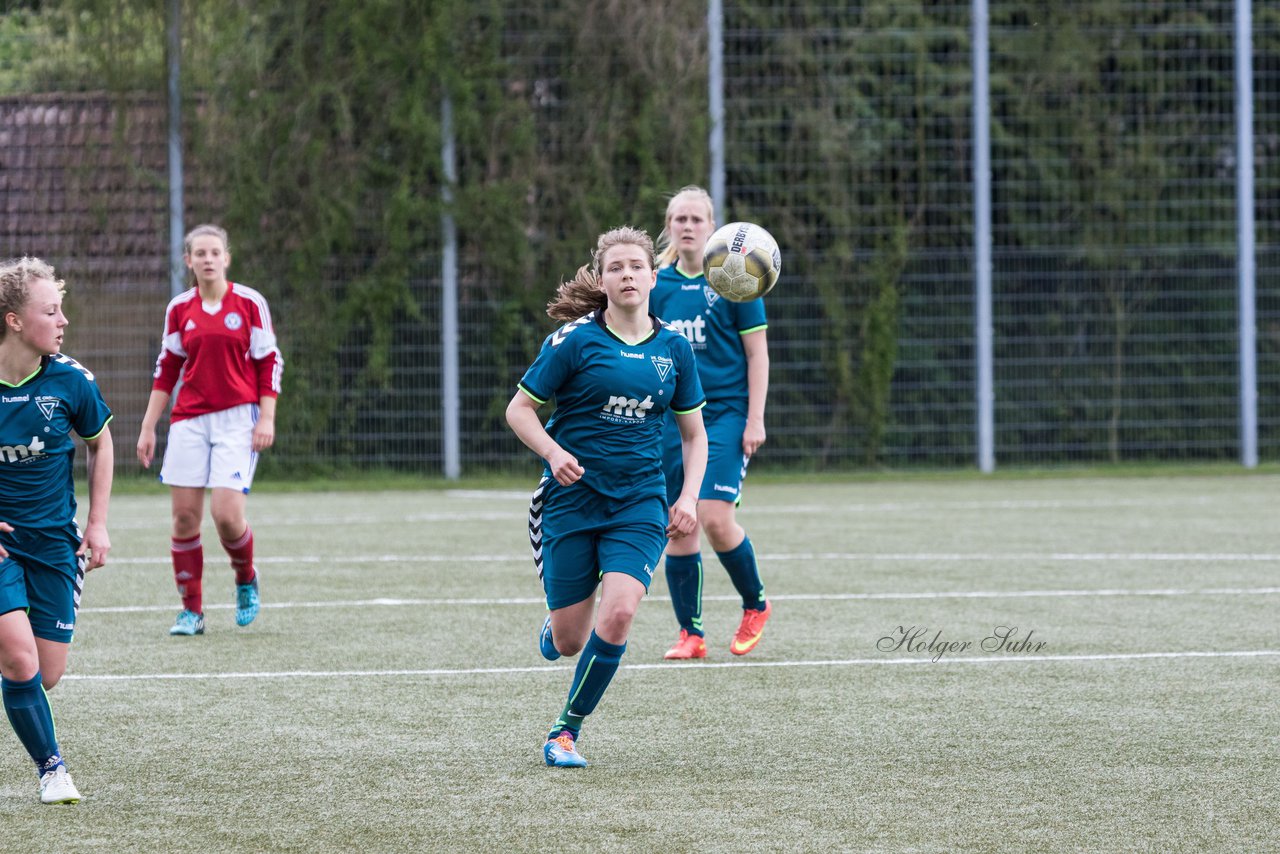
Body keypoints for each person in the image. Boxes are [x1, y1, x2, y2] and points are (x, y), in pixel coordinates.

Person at [506, 226, 707, 768]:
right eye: (616, 267)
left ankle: (564, 732)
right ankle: (555, 629)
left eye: (636, 267)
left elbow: (694, 435)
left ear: (653, 276)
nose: (627, 275)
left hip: (639, 503)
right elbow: (519, 411)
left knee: (618, 615)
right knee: (572, 639)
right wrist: (553, 453)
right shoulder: (573, 340)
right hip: (572, 502)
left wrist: (687, 498)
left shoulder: (674, 349)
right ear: (602, 278)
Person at [0, 257, 113, 804]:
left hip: (53, 543)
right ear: (15, 320)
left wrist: (96, 523)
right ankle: (53, 769)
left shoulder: (71, 379)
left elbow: (100, 442)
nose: (63, 320)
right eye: (50, 311)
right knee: (19, 657)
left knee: (44, 674)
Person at [136, 224, 283, 637]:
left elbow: (269, 362)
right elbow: (166, 369)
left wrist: (266, 417)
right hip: (189, 421)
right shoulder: (179, 309)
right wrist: (149, 426)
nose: (208, 259)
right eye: (199, 253)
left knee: (227, 515)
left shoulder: (250, 303)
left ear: (226, 257)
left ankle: (245, 577)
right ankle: (192, 612)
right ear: (188, 261)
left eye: (215, 252)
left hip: (239, 419)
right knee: (184, 518)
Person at [649, 185, 772, 660]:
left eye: (696, 219)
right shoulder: (656, 285)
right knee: (680, 522)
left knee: (715, 517)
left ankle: (755, 604)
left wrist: (755, 419)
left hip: (724, 416)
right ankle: (691, 634)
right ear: (669, 226)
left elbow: (757, 355)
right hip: (673, 420)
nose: (686, 226)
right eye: (678, 218)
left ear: (712, 226)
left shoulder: (735, 279)